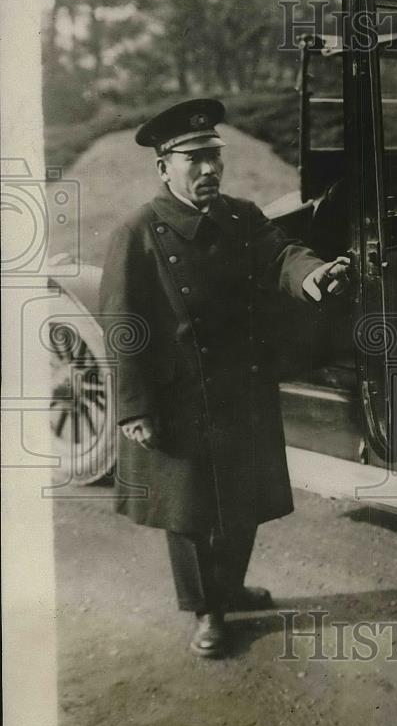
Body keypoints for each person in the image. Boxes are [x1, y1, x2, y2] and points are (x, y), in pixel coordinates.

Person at [99, 98, 350, 659]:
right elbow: (122, 327)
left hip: (242, 390)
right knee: (189, 514)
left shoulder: (242, 216)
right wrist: (134, 406)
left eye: (214, 156)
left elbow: (282, 255)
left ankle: (230, 587)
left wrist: (312, 276)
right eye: (194, 160)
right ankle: (207, 612)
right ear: (164, 167)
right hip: (180, 398)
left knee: (242, 498)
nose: (209, 169)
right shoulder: (137, 232)